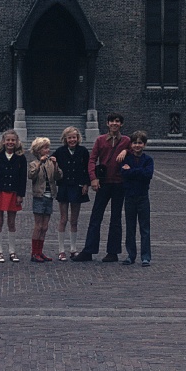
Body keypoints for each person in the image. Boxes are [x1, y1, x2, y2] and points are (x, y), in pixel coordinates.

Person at [72, 112, 130, 262]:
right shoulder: (100, 140)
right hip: (103, 183)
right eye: (112, 121)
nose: (114, 124)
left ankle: (113, 252)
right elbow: (92, 160)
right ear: (107, 123)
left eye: (117, 121)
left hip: (119, 183)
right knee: (95, 216)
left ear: (121, 124)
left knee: (116, 218)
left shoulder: (126, 141)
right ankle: (89, 250)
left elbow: (136, 149)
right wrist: (93, 178)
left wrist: (126, 150)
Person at [0, 129, 27, 263]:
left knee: (11, 222)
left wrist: (20, 194)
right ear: (3, 141)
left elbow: (22, 178)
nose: (10, 142)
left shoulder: (21, 158)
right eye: (8, 140)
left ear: (16, 142)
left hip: (13, 193)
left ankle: (12, 251)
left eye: (12, 140)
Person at [54, 126, 90, 261]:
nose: (72, 140)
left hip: (77, 187)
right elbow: (51, 164)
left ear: (78, 138)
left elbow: (87, 168)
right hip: (64, 187)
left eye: (74, 137)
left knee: (74, 220)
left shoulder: (83, 151)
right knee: (63, 219)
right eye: (69, 138)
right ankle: (61, 249)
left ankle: (73, 249)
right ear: (65, 139)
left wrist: (86, 183)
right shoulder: (59, 151)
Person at [120, 130, 154, 266]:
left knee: (144, 228)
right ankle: (131, 255)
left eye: (140, 143)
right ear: (131, 145)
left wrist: (132, 171)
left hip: (143, 197)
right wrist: (138, 172)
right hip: (129, 196)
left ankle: (146, 256)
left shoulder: (148, 160)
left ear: (144, 145)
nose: (137, 145)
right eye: (135, 143)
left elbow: (148, 175)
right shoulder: (126, 159)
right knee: (130, 227)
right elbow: (123, 174)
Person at [28, 137, 63, 263]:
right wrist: (39, 164)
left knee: (45, 226)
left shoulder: (50, 162)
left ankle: (40, 251)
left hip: (50, 196)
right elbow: (31, 175)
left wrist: (55, 164)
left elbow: (58, 176)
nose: (47, 150)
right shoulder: (34, 163)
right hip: (39, 196)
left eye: (48, 147)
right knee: (38, 226)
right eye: (45, 148)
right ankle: (34, 252)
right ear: (38, 150)